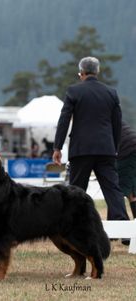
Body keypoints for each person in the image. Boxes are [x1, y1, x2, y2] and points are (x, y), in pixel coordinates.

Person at [52, 57, 130, 234]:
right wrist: (115, 147)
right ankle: (123, 230)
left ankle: (74, 227)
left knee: (77, 190)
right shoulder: (111, 92)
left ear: (81, 73)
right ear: (98, 71)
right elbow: (117, 124)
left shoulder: (74, 91)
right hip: (106, 149)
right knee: (112, 189)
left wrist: (57, 147)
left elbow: (64, 120)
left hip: (81, 149)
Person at [117, 121, 136, 219]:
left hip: (126, 150)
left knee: (116, 191)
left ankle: (122, 223)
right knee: (132, 191)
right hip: (133, 146)